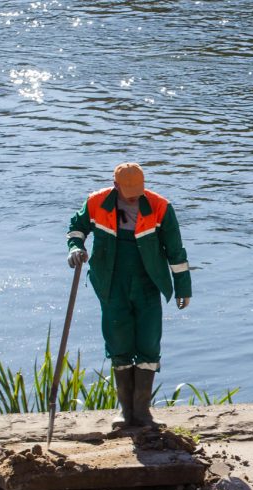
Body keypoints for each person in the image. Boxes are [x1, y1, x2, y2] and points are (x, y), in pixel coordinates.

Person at [66, 163, 192, 429]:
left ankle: (143, 412)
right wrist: (75, 248)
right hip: (110, 283)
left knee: (148, 342)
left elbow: (176, 250)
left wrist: (183, 287)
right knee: (118, 342)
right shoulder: (96, 202)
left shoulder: (160, 207)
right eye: (129, 192)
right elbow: (76, 228)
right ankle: (125, 413)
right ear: (115, 186)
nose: (134, 196)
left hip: (147, 283)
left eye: (138, 190)